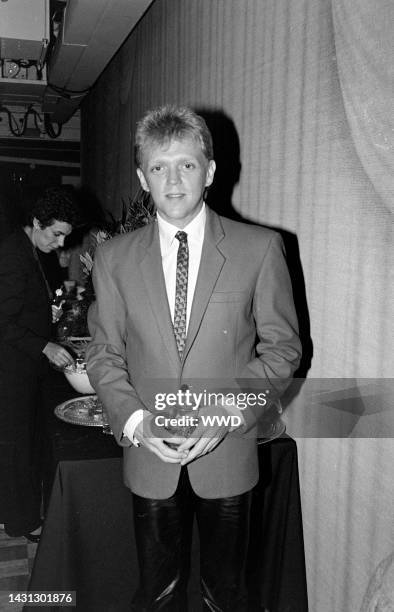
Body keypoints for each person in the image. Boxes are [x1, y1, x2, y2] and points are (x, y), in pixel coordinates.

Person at [86, 105, 301, 611]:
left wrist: (224, 412)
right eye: (159, 167)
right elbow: (103, 351)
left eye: (186, 164)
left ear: (209, 171)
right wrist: (136, 420)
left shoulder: (260, 248)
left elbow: (282, 347)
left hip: (227, 453)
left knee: (225, 595)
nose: (174, 179)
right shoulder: (114, 259)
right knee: (156, 594)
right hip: (150, 454)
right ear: (142, 177)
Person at [0, 187, 78, 541]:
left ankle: (10, 515)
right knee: (18, 448)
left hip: (19, 365)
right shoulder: (14, 255)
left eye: (65, 235)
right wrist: (45, 345)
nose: (61, 243)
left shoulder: (25, 248)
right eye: (56, 233)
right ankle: (21, 523)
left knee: (17, 445)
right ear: (36, 223)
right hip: (11, 371)